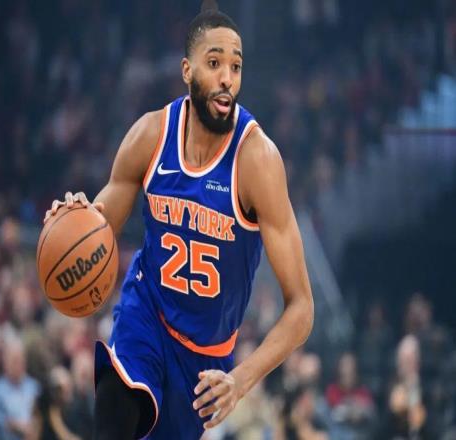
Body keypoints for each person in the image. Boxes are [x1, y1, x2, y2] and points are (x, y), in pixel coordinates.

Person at [44, 1, 314, 438]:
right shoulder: (150, 135)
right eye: (214, 63)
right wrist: (75, 218)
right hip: (146, 312)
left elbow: (302, 307)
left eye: (236, 66)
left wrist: (240, 381)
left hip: (205, 359)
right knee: (114, 415)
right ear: (187, 71)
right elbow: (99, 224)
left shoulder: (257, 160)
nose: (227, 77)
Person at [0, 340, 40, 440]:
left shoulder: (33, 387)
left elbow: (40, 415)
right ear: (5, 363)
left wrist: (33, 427)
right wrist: (13, 425)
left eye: (21, 361)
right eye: (14, 361)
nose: (18, 365)